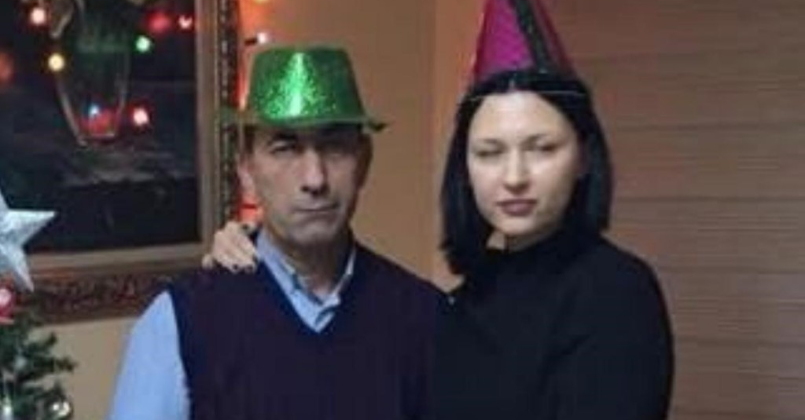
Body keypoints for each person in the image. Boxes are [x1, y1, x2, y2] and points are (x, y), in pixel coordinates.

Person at [204, 0, 674, 418]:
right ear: (464, 167)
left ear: (584, 157)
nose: (514, 176)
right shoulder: (464, 301)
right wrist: (255, 248)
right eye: (489, 152)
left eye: (542, 148)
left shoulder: (614, 291)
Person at [107, 46, 443, 420]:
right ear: (247, 171)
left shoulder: (425, 318)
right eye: (286, 148)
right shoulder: (180, 325)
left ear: (364, 162)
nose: (314, 179)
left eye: (334, 147)